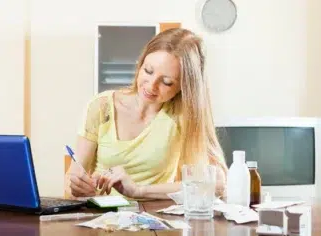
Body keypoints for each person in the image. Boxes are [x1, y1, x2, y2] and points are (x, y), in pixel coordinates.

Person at [65, 27, 228, 200]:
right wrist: (77, 187)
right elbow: (72, 179)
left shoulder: (183, 115)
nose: (151, 86)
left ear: (183, 87)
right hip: (101, 218)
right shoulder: (102, 106)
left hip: (154, 219)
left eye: (166, 82)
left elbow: (217, 184)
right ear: (140, 64)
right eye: (148, 71)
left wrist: (139, 191)